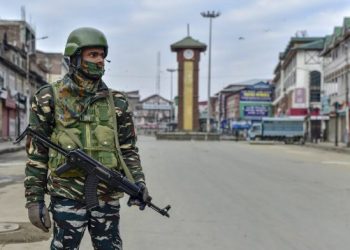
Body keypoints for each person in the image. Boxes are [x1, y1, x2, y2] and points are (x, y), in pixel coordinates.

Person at [24, 27, 150, 250]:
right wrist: (34, 200)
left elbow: (128, 150)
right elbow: (38, 154)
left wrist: (138, 183)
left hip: (107, 198)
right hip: (66, 196)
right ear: (74, 58)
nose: (100, 61)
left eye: (102, 55)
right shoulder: (48, 97)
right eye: (93, 55)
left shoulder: (117, 102)